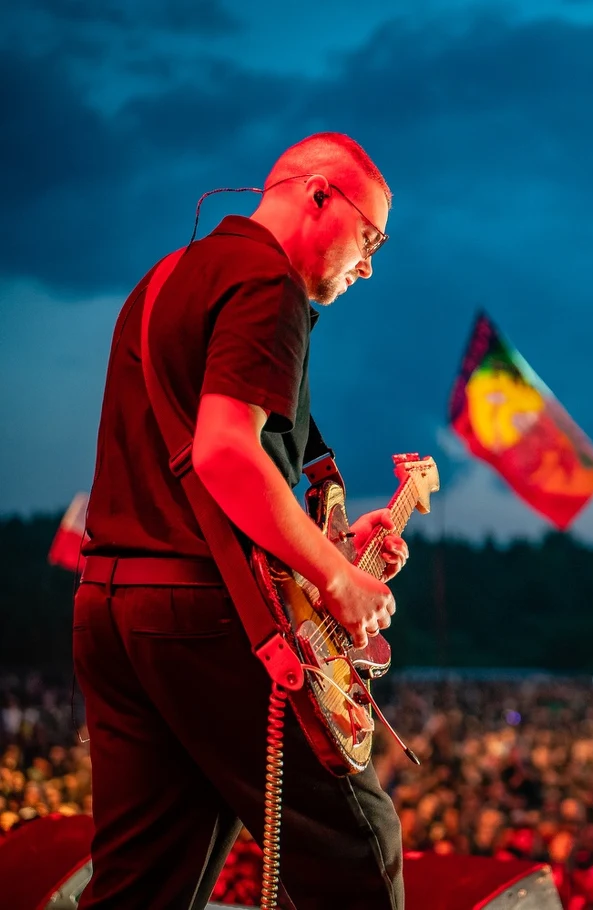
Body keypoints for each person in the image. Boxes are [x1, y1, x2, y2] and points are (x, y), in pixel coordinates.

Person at [75, 133, 408, 909]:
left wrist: (324, 545)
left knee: (142, 881)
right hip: (203, 616)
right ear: (319, 193)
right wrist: (334, 578)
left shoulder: (164, 279)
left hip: (111, 611)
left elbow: (195, 474)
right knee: (359, 849)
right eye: (371, 237)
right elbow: (225, 454)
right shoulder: (268, 280)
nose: (369, 266)